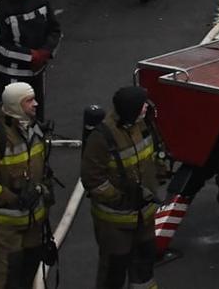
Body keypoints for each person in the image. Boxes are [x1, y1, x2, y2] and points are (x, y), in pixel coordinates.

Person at [0, 82, 55, 289]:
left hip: (33, 220)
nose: (36, 104)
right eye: (29, 100)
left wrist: (44, 190)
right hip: (5, 224)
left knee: (29, 269)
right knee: (9, 275)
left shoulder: (34, 128)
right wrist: (15, 199)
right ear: (15, 105)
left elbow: (40, 167)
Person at [84, 86, 163, 289]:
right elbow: (93, 180)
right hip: (115, 222)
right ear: (130, 109)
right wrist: (121, 198)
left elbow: (151, 155)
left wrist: (159, 171)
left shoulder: (143, 124)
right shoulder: (102, 137)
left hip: (144, 215)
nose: (146, 107)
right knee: (114, 271)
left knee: (145, 266)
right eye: (142, 105)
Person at [0, 0, 61, 116]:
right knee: (15, 115)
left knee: (37, 112)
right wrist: (31, 56)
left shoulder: (41, 2)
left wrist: (45, 51)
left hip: (38, 71)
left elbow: (55, 30)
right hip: (12, 74)